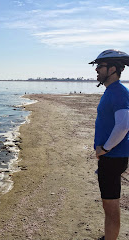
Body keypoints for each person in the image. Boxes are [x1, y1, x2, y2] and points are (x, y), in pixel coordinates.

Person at [89, 49, 129, 240]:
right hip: (112, 156)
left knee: (111, 204)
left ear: (113, 69)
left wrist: (105, 148)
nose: (97, 69)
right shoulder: (112, 91)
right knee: (108, 203)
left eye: (101, 66)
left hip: (112, 157)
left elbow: (123, 125)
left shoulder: (119, 92)